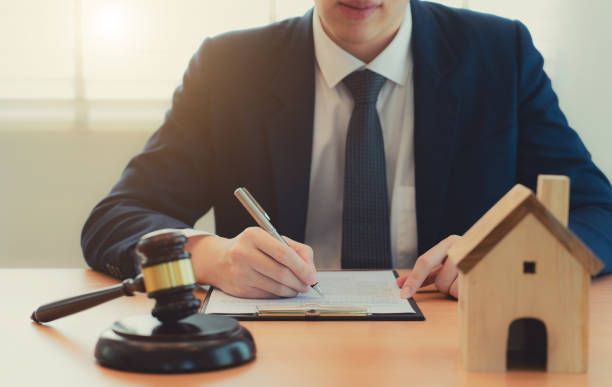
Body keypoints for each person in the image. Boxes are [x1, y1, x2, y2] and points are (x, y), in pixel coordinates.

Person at [81, 0, 612, 300]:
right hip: (277, 358)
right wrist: (207, 256)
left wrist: (507, 256)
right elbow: (115, 218)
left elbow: (599, 212)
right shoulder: (230, 67)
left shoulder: (499, 53)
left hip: (452, 352)